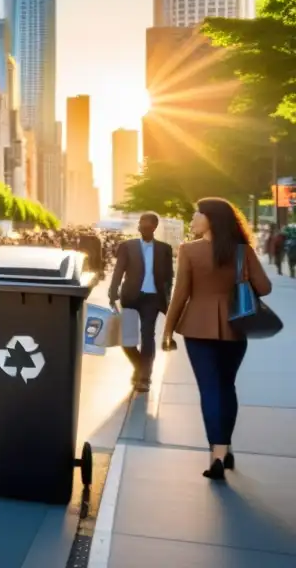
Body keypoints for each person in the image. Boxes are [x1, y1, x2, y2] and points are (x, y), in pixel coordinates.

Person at [163, 198, 272, 480]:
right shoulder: (241, 251)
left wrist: (167, 331)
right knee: (226, 386)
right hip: (235, 328)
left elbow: (181, 294)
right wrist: (242, 276)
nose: (193, 219)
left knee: (210, 389)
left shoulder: (189, 251)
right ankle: (225, 449)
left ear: (211, 218)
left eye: (197, 214)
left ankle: (217, 455)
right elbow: (265, 287)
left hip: (197, 329)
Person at [107, 212, 174, 392]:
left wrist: (168, 299)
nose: (143, 226)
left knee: (147, 337)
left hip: (152, 299)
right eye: (141, 223)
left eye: (147, 223)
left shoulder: (164, 249)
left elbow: (169, 277)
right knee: (127, 340)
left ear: (154, 227)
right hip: (130, 297)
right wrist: (113, 292)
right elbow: (118, 270)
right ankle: (140, 366)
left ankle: (145, 377)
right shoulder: (127, 246)